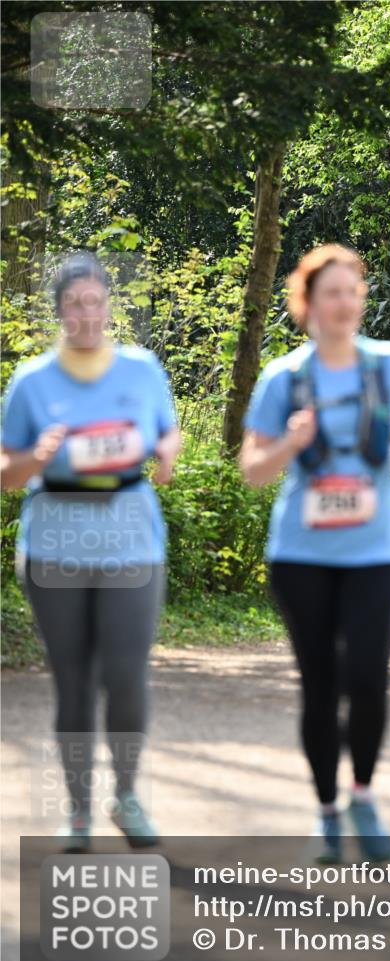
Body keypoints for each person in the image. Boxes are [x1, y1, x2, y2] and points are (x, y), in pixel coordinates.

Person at [239, 244, 390, 863]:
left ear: (362, 299)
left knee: (369, 680)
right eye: (332, 292)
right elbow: (252, 470)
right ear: (309, 304)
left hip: (374, 551)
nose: (345, 302)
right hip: (301, 553)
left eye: (353, 290)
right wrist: (290, 444)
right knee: (320, 684)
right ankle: (326, 813)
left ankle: (363, 795)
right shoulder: (283, 378)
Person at [0, 251, 182, 852]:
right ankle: (78, 812)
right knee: (73, 683)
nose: (84, 314)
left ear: (109, 305)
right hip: (54, 548)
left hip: (132, 545)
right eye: (73, 303)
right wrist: (36, 457)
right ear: (58, 310)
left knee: (126, 678)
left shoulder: (141, 369)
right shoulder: (30, 381)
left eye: (94, 302)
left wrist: (167, 453)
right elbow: (6, 470)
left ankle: (125, 796)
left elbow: (166, 431)